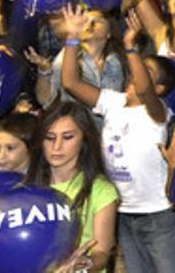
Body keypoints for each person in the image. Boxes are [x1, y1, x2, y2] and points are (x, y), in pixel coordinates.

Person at [59, 6, 175, 273]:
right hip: (124, 213)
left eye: (146, 70)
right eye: (135, 66)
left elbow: (145, 90)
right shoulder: (113, 102)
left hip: (158, 216)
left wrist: (131, 47)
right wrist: (72, 37)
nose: (133, 70)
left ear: (159, 88)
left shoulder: (157, 110)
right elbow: (70, 82)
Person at [26, 102, 118, 272]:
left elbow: (102, 253)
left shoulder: (100, 190)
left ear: (84, 139)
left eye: (67, 137)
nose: (57, 146)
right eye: (50, 137)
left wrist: (82, 265)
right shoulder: (26, 189)